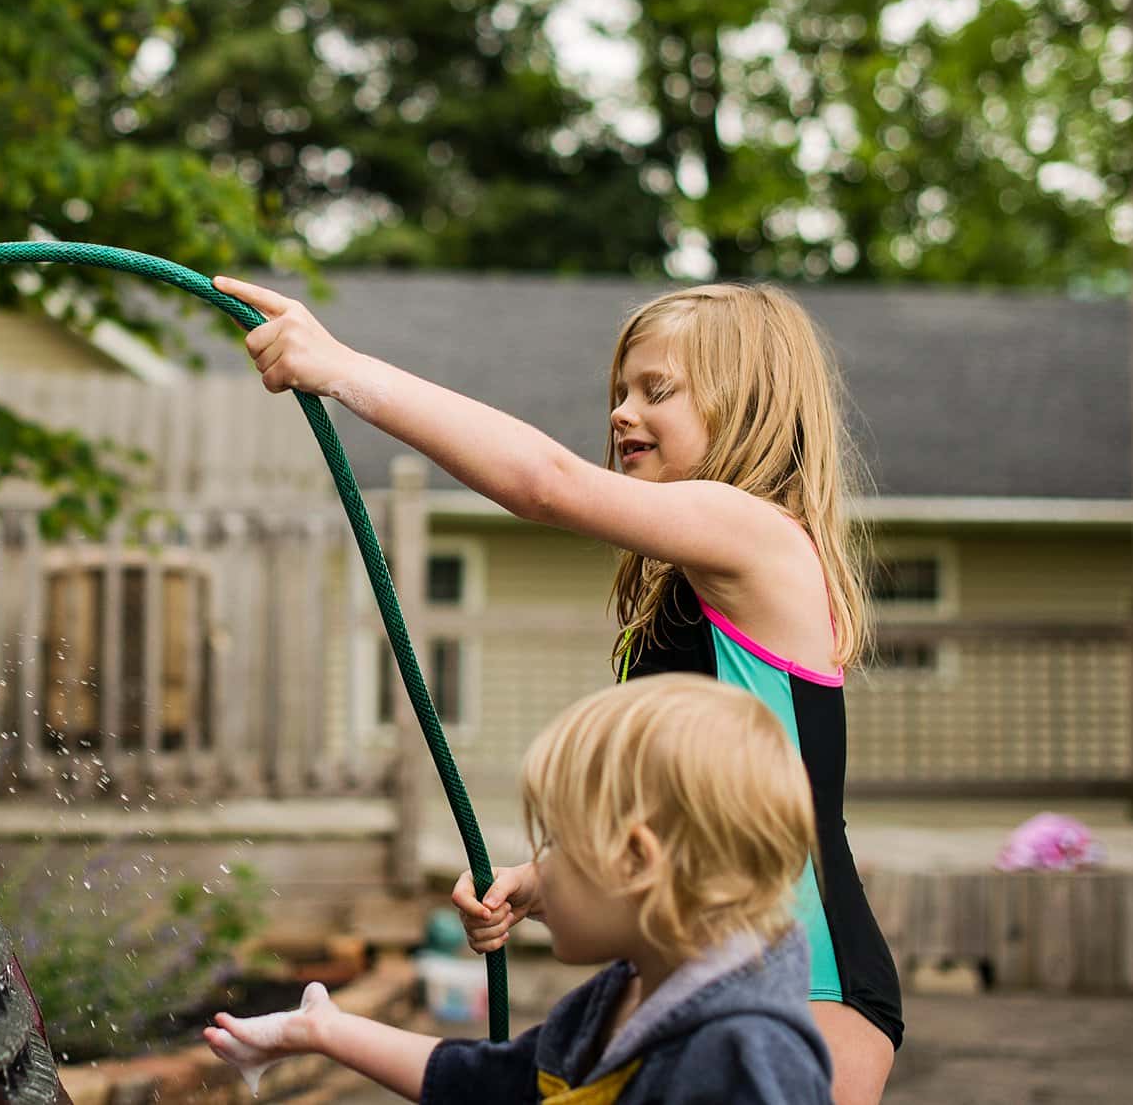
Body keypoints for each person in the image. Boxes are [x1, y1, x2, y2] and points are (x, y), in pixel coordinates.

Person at [211, 275, 901, 1104]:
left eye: (657, 391)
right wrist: (544, 878)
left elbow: (546, 482)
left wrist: (342, 367)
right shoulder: (688, 587)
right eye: (619, 391)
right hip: (705, 959)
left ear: (747, 407)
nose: (622, 413)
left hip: (806, 977)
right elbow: (681, 803)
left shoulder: (760, 539)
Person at [203, 675, 833, 1103]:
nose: (537, 868)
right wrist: (323, 1031)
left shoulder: (750, 1059)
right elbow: (495, 1086)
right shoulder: (625, 997)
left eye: (554, 844)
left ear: (637, 860)